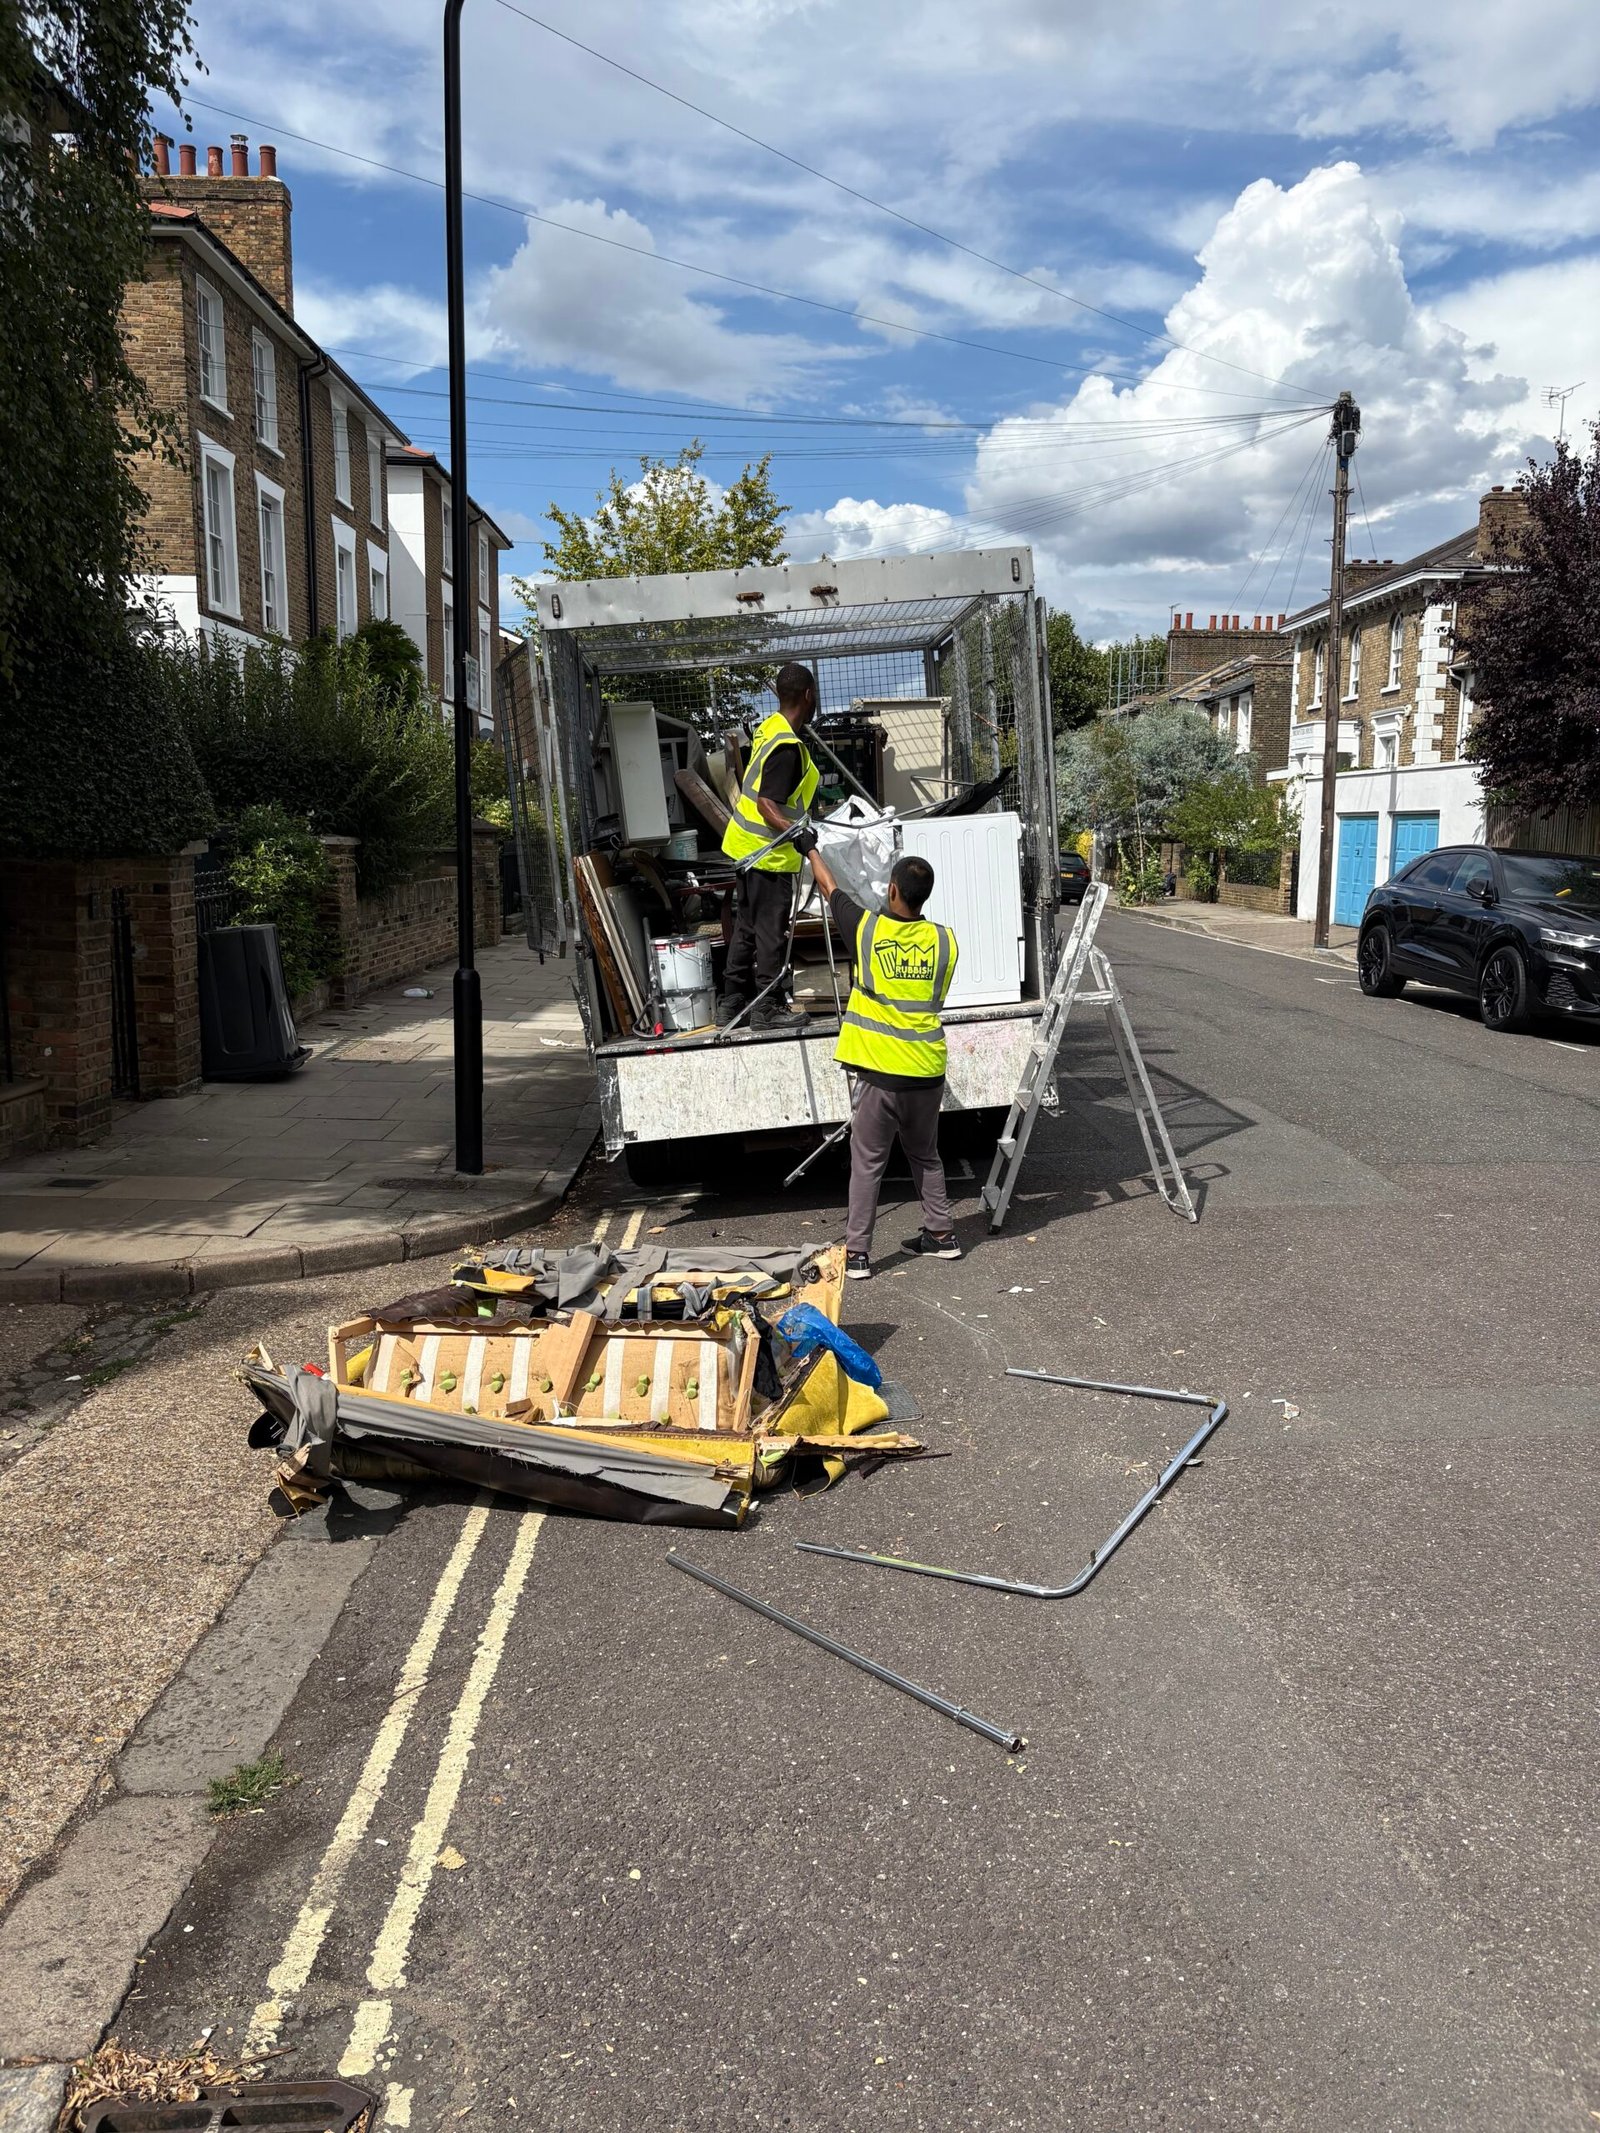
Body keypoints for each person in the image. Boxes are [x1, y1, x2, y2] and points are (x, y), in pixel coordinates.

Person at [807, 844, 961, 1279]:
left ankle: (858, 1254)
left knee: (868, 1162)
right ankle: (941, 1235)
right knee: (926, 1155)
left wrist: (811, 849)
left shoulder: (867, 930)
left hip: (879, 1074)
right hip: (927, 1070)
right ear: (923, 896)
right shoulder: (945, 941)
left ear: (892, 889)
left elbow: (829, 886)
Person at [718, 661, 821, 1030]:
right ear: (808, 695)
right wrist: (797, 834)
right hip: (768, 854)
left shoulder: (769, 729)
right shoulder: (788, 747)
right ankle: (767, 1007)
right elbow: (767, 804)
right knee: (770, 933)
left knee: (746, 927)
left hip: (746, 849)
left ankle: (731, 1003)